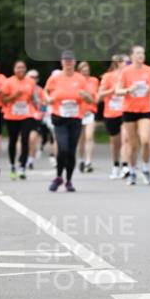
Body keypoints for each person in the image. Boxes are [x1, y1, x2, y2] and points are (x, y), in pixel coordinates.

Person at [44, 50, 93, 192]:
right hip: (59, 117)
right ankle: (59, 176)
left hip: (75, 118)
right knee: (63, 148)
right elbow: (46, 92)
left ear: (74, 62)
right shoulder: (55, 78)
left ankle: (69, 180)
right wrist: (48, 99)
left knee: (71, 151)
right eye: (65, 60)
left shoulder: (80, 79)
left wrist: (85, 96)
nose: (68, 63)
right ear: (61, 62)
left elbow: (90, 99)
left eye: (70, 60)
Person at [116, 45, 150, 185]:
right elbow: (117, 91)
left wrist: (149, 89)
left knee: (146, 140)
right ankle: (132, 171)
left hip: (145, 109)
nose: (141, 56)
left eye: (143, 53)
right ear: (132, 56)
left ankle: (146, 170)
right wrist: (129, 89)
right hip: (129, 110)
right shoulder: (126, 72)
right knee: (133, 145)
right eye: (138, 53)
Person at [0, 60, 36, 180]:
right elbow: (3, 100)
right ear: (14, 69)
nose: (20, 70)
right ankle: (12, 165)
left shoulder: (30, 82)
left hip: (26, 114)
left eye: (22, 68)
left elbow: (32, 98)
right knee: (13, 139)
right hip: (12, 115)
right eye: (18, 68)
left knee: (25, 138)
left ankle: (22, 166)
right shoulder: (8, 82)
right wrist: (14, 96)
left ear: (25, 69)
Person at [98, 54, 128, 179]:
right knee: (115, 142)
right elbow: (99, 95)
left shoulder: (129, 76)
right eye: (125, 61)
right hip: (111, 112)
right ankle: (116, 165)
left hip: (126, 111)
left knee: (126, 139)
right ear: (117, 62)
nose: (127, 64)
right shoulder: (108, 76)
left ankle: (125, 165)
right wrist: (113, 91)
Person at [76, 61, 99, 173]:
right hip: (79, 112)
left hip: (90, 112)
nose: (86, 73)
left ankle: (88, 161)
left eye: (87, 71)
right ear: (79, 72)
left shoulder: (94, 81)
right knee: (80, 139)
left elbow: (96, 95)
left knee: (89, 137)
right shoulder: (76, 82)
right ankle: (80, 160)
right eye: (83, 71)